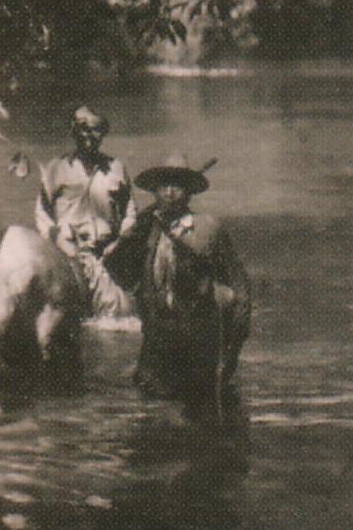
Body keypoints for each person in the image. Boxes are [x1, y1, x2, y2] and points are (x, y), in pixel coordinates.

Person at [124, 153, 251, 398]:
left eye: (178, 186)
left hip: (197, 340)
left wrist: (235, 343)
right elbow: (126, 274)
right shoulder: (145, 232)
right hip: (157, 339)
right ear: (154, 192)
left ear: (189, 192)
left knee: (197, 412)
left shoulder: (207, 229)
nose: (170, 193)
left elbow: (239, 284)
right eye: (164, 186)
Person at [35, 106, 138, 320]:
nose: (89, 135)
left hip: (107, 253)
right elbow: (41, 215)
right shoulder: (56, 168)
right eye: (83, 129)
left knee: (119, 314)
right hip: (68, 254)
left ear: (103, 134)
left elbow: (130, 212)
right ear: (74, 132)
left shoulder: (116, 168)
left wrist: (118, 243)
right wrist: (63, 244)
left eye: (96, 129)